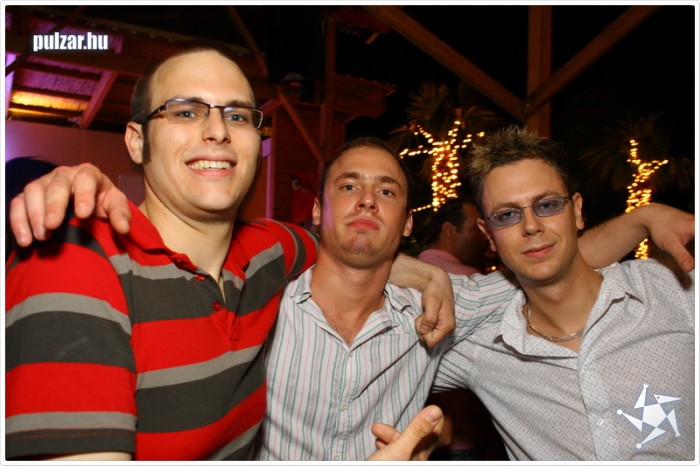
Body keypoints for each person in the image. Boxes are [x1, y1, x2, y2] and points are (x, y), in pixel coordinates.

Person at [11, 134, 696, 461]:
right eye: (348, 187)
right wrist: (80, 194)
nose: (367, 200)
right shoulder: (258, 301)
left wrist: (642, 219)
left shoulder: (444, 318)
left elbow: (550, 263)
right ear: (316, 212)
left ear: (405, 223)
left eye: (387, 191)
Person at [4, 44, 454, 461]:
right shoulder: (73, 263)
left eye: (238, 116)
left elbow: (345, 248)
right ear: (137, 141)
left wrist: (431, 275)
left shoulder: (268, 250)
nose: (218, 131)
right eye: (185, 111)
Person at [432, 127, 695, 460]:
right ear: (488, 234)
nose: (531, 226)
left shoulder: (672, 291)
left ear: (577, 211)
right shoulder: (479, 348)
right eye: (507, 215)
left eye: (547, 205)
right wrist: (414, 270)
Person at [418, 197, 507, 461]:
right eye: (474, 229)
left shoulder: (413, 272)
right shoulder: (468, 280)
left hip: (430, 439)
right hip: (470, 438)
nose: (483, 238)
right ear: (449, 231)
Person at [418, 196, 492, 276]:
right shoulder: (465, 276)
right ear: (449, 230)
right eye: (476, 230)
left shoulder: (416, 268)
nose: (484, 237)